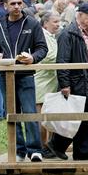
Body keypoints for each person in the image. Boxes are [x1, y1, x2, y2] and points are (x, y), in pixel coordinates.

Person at [0, 0, 48, 162]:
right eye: (13, 3)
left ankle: (35, 149)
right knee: (12, 113)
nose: (17, 6)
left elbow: (42, 48)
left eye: (19, 3)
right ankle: (19, 149)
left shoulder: (32, 23)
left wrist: (33, 58)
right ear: (5, 6)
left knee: (29, 112)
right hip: (6, 75)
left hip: (26, 74)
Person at [47, 3, 88, 161]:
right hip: (79, 80)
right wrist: (65, 84)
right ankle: (61, 146)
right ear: (79, 15)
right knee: (79, 117)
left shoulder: (87, 33)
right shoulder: (69, 34)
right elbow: (63, 60)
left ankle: (81, 151)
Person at [33, 12, 60, 149]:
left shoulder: (52, 36)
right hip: (42, 82)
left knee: (48, 117)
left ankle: (47, 146)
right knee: (41, 118)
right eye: (55, 22)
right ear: (45, 23)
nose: (58, 24)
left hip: (50, 82)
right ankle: (40, 146)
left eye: (58, 22)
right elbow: (48, 56)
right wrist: (64, 57)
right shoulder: (42, 35)